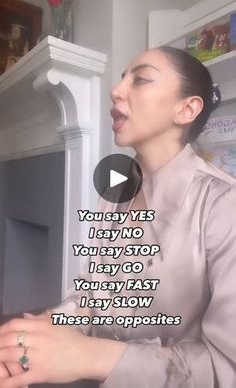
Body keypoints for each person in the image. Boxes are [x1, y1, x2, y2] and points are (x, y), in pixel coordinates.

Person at [0, 46, 236, 388]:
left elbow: (226, 369)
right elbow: (91, 297)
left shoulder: (224, 206)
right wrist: (40, 335)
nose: (116, 90)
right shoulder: (115, 193)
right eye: (122, 77)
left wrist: (85, 355)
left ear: (186, 108)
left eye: (140, 79)